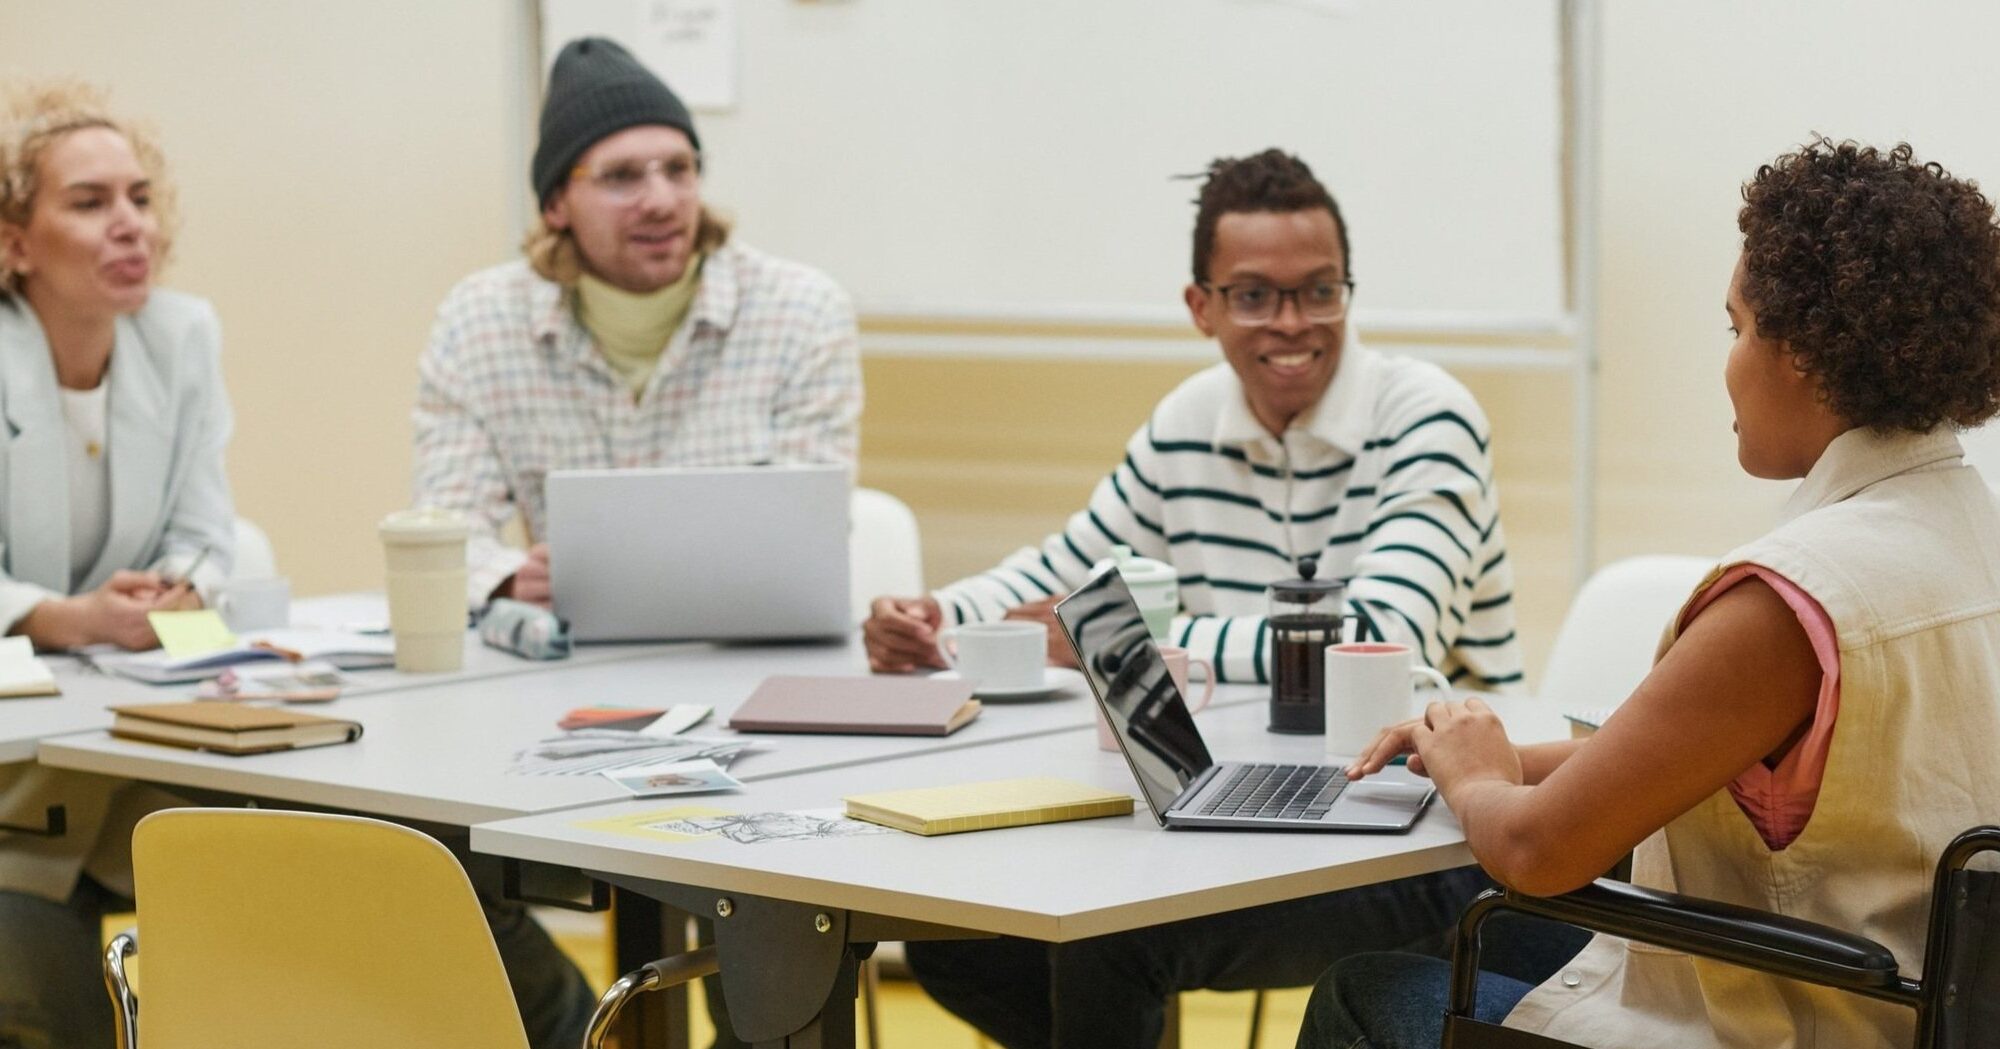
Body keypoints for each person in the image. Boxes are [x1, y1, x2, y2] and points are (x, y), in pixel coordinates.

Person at [1298, 138, 2000, 1049]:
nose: (1729, 363)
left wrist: (1475, 778)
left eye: (1737, 326)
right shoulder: (1969, 535)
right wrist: (1491, 751)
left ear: (1808, 354)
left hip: (1800, 1021)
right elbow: (1716, 757)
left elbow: (1535, 851)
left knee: (1368, 990)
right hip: (1918, 1011)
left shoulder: (1793, 601)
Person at [867, 149, 1540, 1049]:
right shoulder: (1189, 419)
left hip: (1430, 831)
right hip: (1255, 806)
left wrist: (1125, 643)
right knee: (963, 941)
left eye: (1320, 290)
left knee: (1110, 938)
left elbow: (1378, 635)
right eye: (1255, 295)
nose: (1293, 322)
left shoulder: (1428, 415)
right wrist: (941, 617)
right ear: (1203, 307)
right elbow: (1069, 564)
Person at [413, 36, 861, 613]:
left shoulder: (801, 312)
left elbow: (808, 533)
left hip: (741, 645)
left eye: (679, 169)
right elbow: (443, 528)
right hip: (569, 658)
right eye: (622, 176)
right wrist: (508, 577)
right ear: (555, 204)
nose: (661, 201)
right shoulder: (479, 322)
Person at [0, 81, 235, 1049]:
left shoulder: (180, 336)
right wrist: (61, 615)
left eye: (139, 198)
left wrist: (176, 590)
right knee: (51, 1012)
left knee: (282, 912)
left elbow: (209, 534)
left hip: (131, 748)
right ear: (15, 242)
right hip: (13, 776)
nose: (131, 225)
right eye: (89, 204)